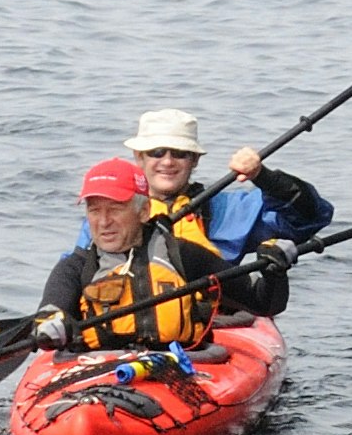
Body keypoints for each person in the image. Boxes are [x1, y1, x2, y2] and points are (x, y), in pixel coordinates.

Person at [32, 154, 272, 354]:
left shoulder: (182, 256)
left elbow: (264, 303)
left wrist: (274, 269)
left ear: (144, 211)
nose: (104, 222)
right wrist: (50, 323)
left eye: (115, 209)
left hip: (180, 363)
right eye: (94, 211)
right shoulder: (76, 268)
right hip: (99, 370)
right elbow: (52, 307)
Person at [124, 106, 327, 312]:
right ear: (139, 157)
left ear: (195, 159)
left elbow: (309, 217)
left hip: (213, 317)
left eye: (179, 153)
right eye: (157, 152)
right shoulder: (115, 213)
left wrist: (263, 177)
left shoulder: (227, 210)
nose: (167, 161)